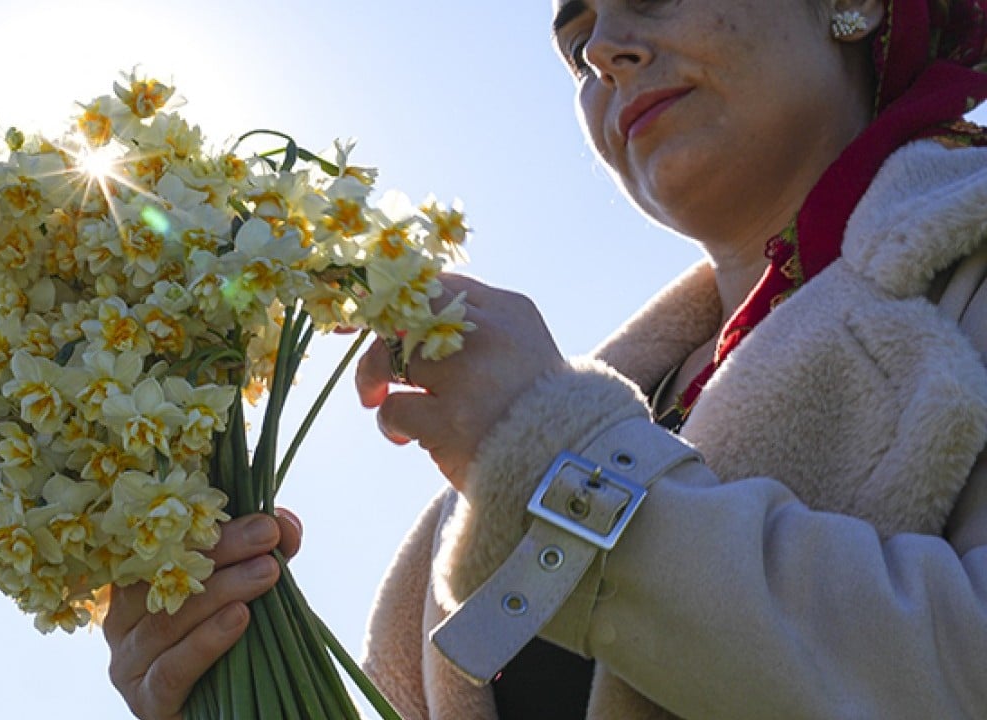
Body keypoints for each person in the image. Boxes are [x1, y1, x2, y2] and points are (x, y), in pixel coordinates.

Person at [104, 0, 987, 717]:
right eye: (576, 41)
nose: (603, 48)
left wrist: (565, 466)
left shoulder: (967, 280)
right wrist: (232, 685)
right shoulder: (586, 414)